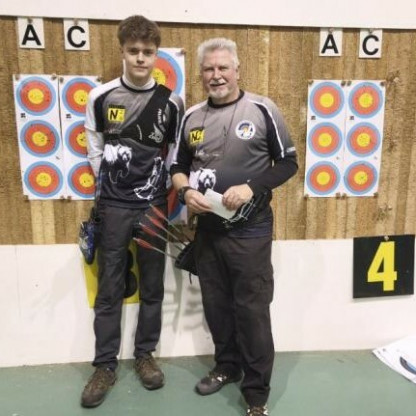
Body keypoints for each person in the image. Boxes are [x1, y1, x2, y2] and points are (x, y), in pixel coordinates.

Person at [170, 38, 298, 416]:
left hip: (250, 231)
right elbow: (177, 167)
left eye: (223, 67)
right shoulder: (192, 117)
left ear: (237, 70)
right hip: (208, 231)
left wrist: (251, 187)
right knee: (217, 306)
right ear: (200, 74)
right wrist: (186, 191)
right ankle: (227, 366)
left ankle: (256, 395)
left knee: (252, 311)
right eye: (209, 69)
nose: (216, 75)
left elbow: (288, 163)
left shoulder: (262, 109)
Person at [81, 15, 184, 408]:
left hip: (154, 206)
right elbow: (94, 146)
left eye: (148, 52)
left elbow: (174, 154)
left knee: (153, 286)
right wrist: (108, 186)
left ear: (157, 55)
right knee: (109, 288)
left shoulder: (172, 102)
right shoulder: (100, 97)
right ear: (122, 51)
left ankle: (145, 355)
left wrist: (163, 189)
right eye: (134, 51)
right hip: (113, 206)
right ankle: (105, 365)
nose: (141, 58)